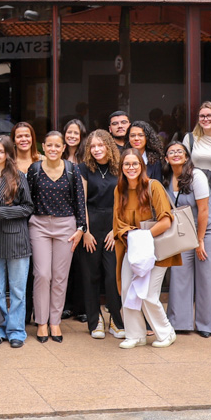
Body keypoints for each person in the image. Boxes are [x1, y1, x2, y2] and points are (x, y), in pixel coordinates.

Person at [112, 148, 181, 349]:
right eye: (127, 164)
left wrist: (141, 236)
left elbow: (166, 221)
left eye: (135, 164)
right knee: (127, 291)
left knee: (149, 294)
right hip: (131, 248)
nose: (131, 168)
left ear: (141, 166)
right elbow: (117, 221)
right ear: (121, 167)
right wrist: (129, 234)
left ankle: (166, 333)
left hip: (156, 248)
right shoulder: (119, 190)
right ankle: (136, 335)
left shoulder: (153, 186)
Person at [26, 131, 86, 343]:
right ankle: (41, 322)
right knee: (42, 274)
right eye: (49, 145)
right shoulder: (34, 169)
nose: (53, 149)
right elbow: (28, 200)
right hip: (40, 224)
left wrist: (81, 228)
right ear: (43, 146)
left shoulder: (72, 169)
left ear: (62, 148)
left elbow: (80, 200)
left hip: (66, 225)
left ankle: (55, 321)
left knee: (60, 276)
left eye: (57, 146)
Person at [164, 140, 211, 337]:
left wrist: (200, 241)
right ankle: (179, 322)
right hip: (184, 230)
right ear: (166, 158)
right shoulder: (165, 178)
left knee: (208, 275)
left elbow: (204, 209)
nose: (176, 154)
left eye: (180, 151)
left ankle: (207, 325)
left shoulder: (196, 175)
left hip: (209, 229)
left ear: (186, 156)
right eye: (171, 152)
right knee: (179, 273)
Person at [0, 136, 33, 347]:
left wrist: (1, 212)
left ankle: (16, 331)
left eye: (0, 151)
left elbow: (28, 208)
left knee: (17, 290)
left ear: (7, 154)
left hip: (16, 239)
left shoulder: (18, 176)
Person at [78, 131, 124, 340]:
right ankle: (95, 320)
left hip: (114, 225)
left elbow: (124, 201)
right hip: (91, 224)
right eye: (92, 146)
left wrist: (116, 230)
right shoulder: (84, 168)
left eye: (100, 145)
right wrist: (85, 231)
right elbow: (82, 201)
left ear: (108, 146)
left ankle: (115, 319)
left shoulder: (119, 167)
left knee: (113, 274)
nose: (96, 149)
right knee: (91, 275)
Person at [59, 118, 88, 323]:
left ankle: (82, 307)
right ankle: (67, 306)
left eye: (76, 133)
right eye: (69, 132)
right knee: (64, 264)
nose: (72, 136)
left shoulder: (86, 159)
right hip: (62, 216)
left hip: (83, 213)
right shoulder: (57, 155)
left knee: (81, 264)